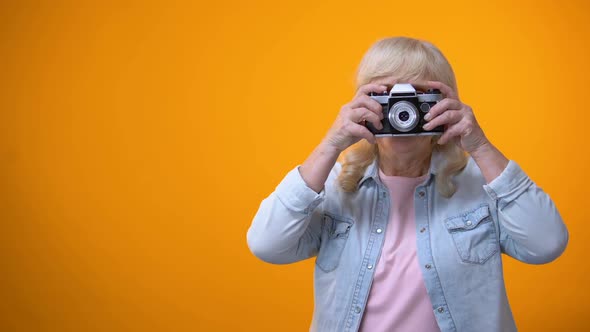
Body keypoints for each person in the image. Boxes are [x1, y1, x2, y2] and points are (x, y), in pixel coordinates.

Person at [246, 37, 569, 332]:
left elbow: (547, 243)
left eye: (417, 97)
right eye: (384, 96)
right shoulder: (336, 185)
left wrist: (481, 147)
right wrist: (331, 145)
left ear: (445, 103)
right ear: (361, 104)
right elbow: (267, 244)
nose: (403, 111)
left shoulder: (481, 183)